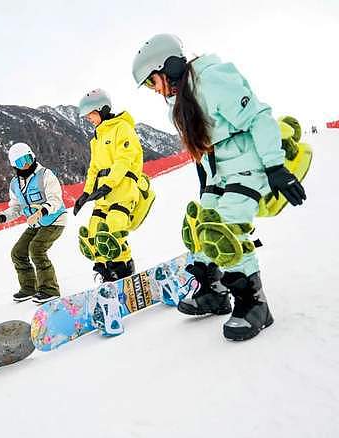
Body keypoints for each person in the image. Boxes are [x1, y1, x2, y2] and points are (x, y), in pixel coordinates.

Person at [132, 34, 306, 341]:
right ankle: (213, 291)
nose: (154, 90)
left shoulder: (211, 80)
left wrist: (275, 166)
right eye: (148, 85)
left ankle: (254, 304)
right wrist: (206, 183)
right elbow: (204, 147)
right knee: (200, 224)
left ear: (168, 66)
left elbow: (259, 118)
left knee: (224, 228)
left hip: (248, 161)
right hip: (220, 169)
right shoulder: (179, 101)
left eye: (152, 81)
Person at [73, 89, 154, 282]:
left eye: (90, 114)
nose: (88, 119)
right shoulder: (96, 139)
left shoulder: (122, 128)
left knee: (114, 226)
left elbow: (124, 160)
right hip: (103, 195)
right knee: (95, 229)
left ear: (101, 109)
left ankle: (123, 267)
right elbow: (93, 168)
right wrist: (85, 193)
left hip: (123, 190)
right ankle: (105, 269)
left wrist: (109, 184)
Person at [0, 142, 67, 304]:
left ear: (32, 156)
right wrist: (4, 216)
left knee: (36, 249)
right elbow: (17, 207)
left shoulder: (45, 175)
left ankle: (49, 289)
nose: (26, 164)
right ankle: (29, 288)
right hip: (35, 224)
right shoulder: (15, 184)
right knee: (18, 252)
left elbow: (55, 199)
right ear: (14, 165)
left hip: (55, 220)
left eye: (27, 158)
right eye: (20, 162)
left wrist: (41, 212)